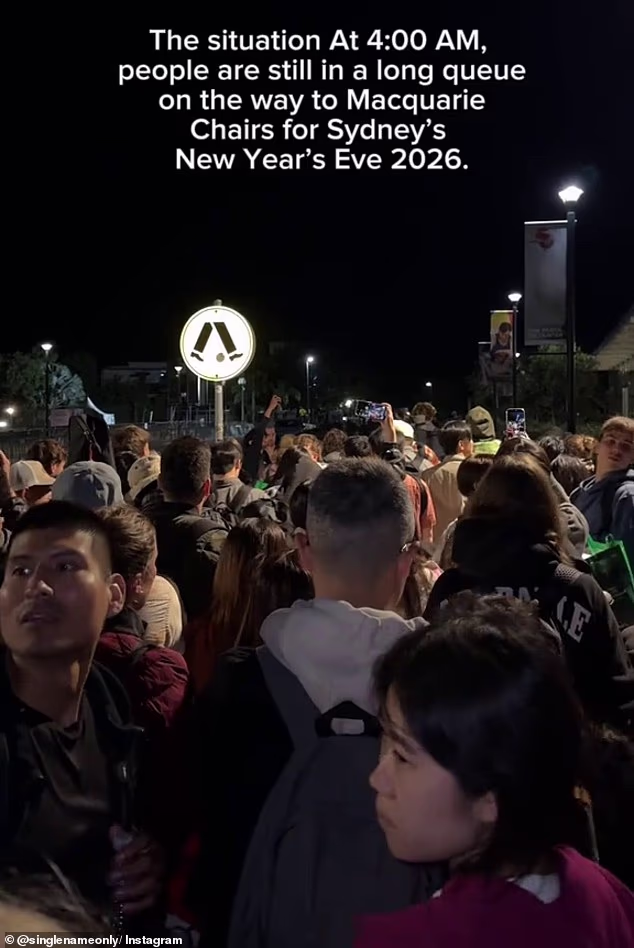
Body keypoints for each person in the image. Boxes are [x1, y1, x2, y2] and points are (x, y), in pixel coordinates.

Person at [356, 594, 634, 948]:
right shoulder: (604, 894)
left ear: (492, 793)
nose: (377, 778)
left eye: (404, 756)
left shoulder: (413, 938)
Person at [0, 502, 163, 925]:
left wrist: (140, 864)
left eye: (65, 567)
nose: (37, 586)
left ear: (115, 596)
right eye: (20, 570)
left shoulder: (109, 702)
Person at [425, 454, 633, 731]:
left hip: (470, 760)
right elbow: (617, 694)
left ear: (477, 506)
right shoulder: (576, 588)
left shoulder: (452, 589)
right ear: (549, 511)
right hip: (562, 761)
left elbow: (422, 687)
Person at [571, 416, 634, 562]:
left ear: (633, 457)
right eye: (610, 441)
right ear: (597, 447)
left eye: (626, 446)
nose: (616, 450)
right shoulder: (579, 492)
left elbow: (627, 561)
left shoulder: (627, 496)